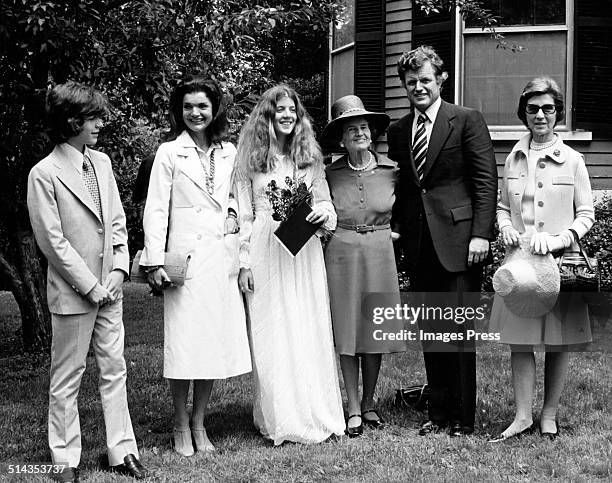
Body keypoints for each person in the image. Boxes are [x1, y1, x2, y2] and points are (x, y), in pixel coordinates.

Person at [27, 82, 147, 482]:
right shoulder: (43, 173)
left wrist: (117, 271)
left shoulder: (103, 162)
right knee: (68, 376)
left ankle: (121, 451)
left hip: (110, 288)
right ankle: (64, 458)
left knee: (115, 369)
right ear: (71, 121)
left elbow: (116, 222)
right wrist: (89, 285)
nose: (101, 123)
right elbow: (52, 241)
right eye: (93, 117)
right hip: (74, 293)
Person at [388, 45, 498, 437]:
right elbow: (403, 187)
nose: (419, 87)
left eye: (425, 80)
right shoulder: (399, 131)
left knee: (459, 333)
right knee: (433, 331)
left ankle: (463, 419)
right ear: (404, 85)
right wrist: (395, 228)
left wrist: (481, 234)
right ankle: (437, 414)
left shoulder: (466, 120)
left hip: (460, 241)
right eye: (411, 82)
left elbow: (486, 182)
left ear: (441, 80)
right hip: (419, 244)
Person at [141, 75, 251, 456]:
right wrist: (154, 260)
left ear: (214, 108)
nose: (195, 113)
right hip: (184, 263)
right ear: (179, 111)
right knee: (185, 345)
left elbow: (238, 197)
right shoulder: (169, 153)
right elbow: (155, 209)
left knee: (211, 344)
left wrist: (237, 229)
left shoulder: (230, 151)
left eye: (202, 105)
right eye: (188, 106)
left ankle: (200, 421)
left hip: (221, 259)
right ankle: (178, 422)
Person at [235, 84, 345, 445]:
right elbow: (244, 215)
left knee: (306, 324)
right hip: (266, 249)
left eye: (292, 111)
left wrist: (320, 213)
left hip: (303, 250)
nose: (286, 115)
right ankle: (280, 415)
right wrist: (244, 262)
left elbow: (327, 204)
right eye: (278, 110)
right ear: (267, 117)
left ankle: (316, 410)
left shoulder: (310, 159)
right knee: (272, 328)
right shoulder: (250, 161)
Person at [487, 76, 595, 442]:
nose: (540, 115)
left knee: (558, 340)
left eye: (548, 108)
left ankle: (548, 416)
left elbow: (587, 213)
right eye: (533, 109)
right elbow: (503, 207)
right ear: (524, 114)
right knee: (520, 339)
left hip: (558, 263)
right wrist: (504, 227)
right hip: (520, 265)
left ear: (558, 113)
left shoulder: (574, 160)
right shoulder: (513, 158)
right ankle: (521, 417)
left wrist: (563, 238)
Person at [321, 95, 405, 437]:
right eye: (350, 128)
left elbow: (412, 209)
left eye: (363, 126)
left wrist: (397, 233)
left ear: (372, 132)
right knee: (347, 329)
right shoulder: (330, 173)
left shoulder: (392, 170)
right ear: (341, 137)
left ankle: (369, 404)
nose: (358, 132)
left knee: (375, 328)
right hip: (341, 251)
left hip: (380, 252)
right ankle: (352, 407)